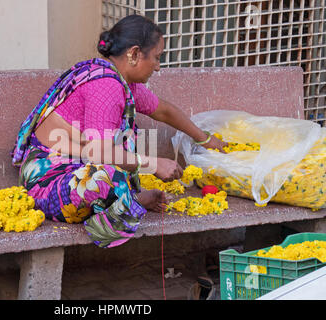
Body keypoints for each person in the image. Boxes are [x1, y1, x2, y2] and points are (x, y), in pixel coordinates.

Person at [11, 15, 227, 248]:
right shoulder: (106, 85)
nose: (158, 66)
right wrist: (154, 164)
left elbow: (163, 111)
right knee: (104, 178)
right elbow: (99, 154)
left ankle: (131, 198)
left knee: (120, 159)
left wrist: (204, 138)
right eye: (156, 57)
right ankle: (126, 206)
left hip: (80, 169)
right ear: (134, 54)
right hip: (50, 182)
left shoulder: (124, 83)